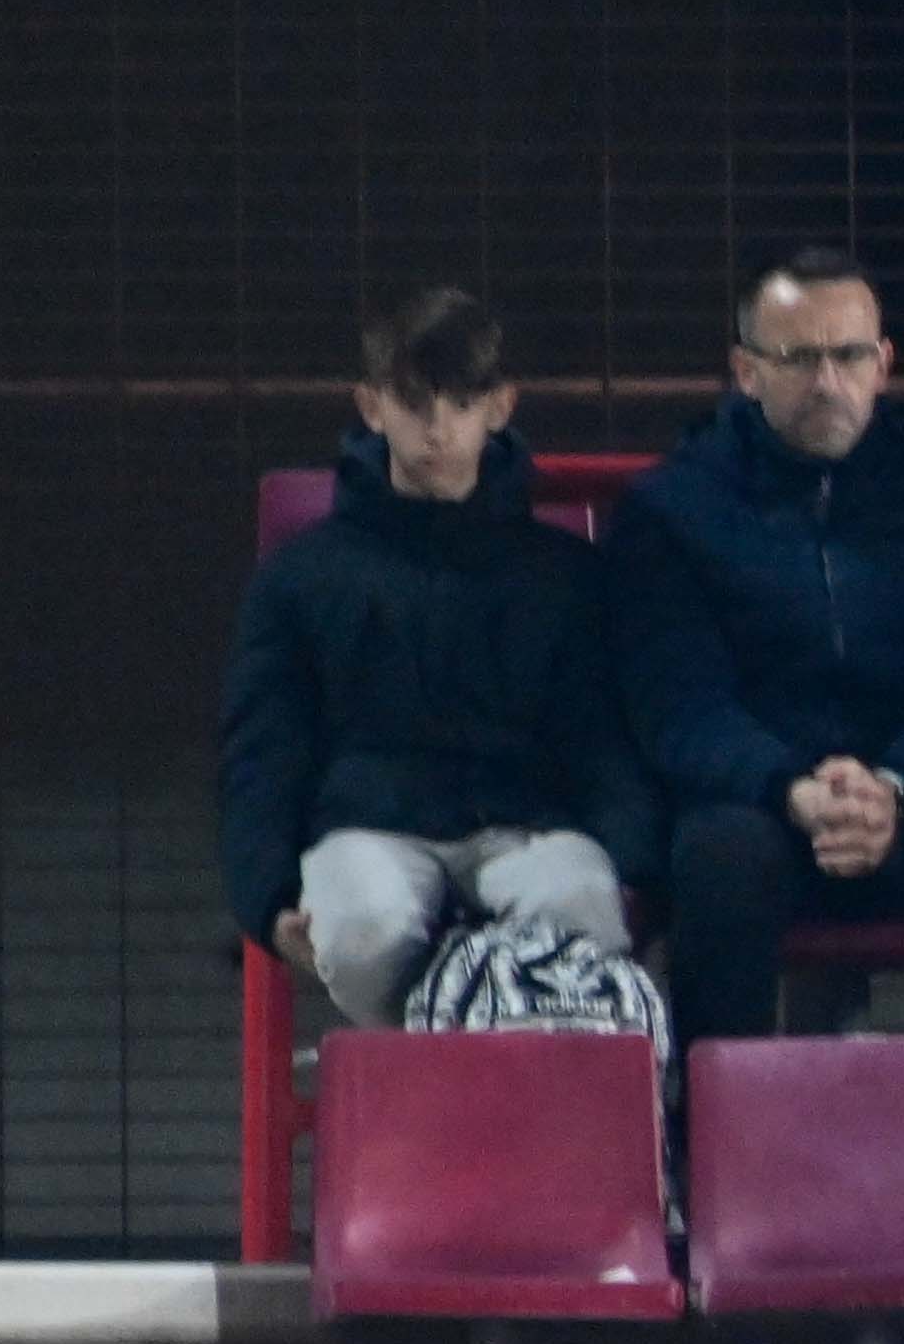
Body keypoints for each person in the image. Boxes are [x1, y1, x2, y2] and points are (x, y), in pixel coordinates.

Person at [614, 253, 904, 1055]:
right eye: (799, 358)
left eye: (850, 356)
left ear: (885, 364)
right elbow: (678, 703)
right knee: (718, 859)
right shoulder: (672, 509)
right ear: (745, 370)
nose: (829, 382)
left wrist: (893, 787)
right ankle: (715, 1147)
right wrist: (793, 789)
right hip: (758, 797)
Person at [226, 286, 643, 1029]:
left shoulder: (562, 576)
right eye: (416, 403)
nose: (438, 429)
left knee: (583, 908)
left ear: (500, 406)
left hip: (527, 821)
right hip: (367, 824)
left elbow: (600, 733)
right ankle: (461, 1068)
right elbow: (264, 749)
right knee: (360, 932)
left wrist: (638, 866)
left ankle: (434, 1080)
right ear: (372, 405)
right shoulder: (304, 577)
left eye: (459, 402)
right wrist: (265, 893)